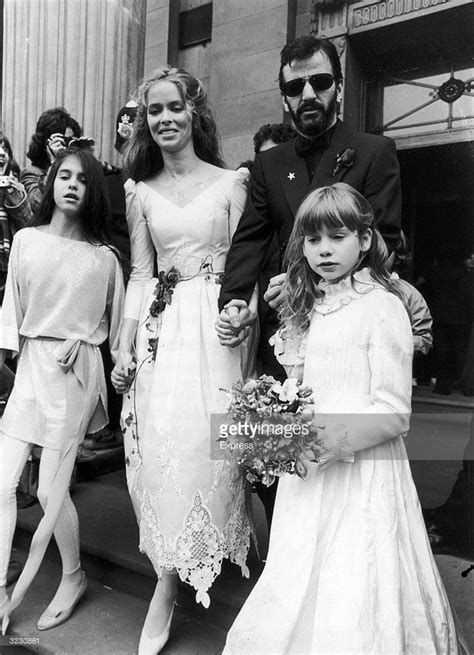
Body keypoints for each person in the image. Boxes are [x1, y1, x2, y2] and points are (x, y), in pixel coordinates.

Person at [222, 183, 465, 655]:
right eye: (313, 240)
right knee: (299, 570)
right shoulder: (311, 305)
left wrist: (323, 439)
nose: (324, 250)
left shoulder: (383, 307)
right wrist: (274, 422)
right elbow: (300, 385)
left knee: (352, 574)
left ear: (366, 239)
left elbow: (395, 413)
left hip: (361, 470)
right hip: (306, 472)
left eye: (337, 236)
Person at [111, 67, 254, 655]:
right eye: (153, 112)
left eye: (174, 108)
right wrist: (123, 345)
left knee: (219, 444)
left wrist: (241, 312)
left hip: (219, 332)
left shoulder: (233, 183)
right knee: (168, 446)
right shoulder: (137, 191)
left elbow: (246, 263)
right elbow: (142, 273)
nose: (164, 119)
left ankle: (235, 566)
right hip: (162, 332)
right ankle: (166, 586)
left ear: (194, 111)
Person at [0, 147, 125, 633]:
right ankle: (1, 589)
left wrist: (95, 355)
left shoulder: (104, 259)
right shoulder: (27, 240)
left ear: (94, 192)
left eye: (83, 179)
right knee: (3, 483)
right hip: (32, 368)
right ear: (51, 181)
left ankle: (72, 576)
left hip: (75, 374)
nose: (72, 184)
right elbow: (13, 312)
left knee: (53, 489)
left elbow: (114, 337)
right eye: (64, 175)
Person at [20, 107, 82, 214]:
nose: (68, 147)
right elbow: (38, 205)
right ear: (47, 143)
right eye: (63, 141)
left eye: (71, 141)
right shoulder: (31, 173)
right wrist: (55, 163)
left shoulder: (78, 173)